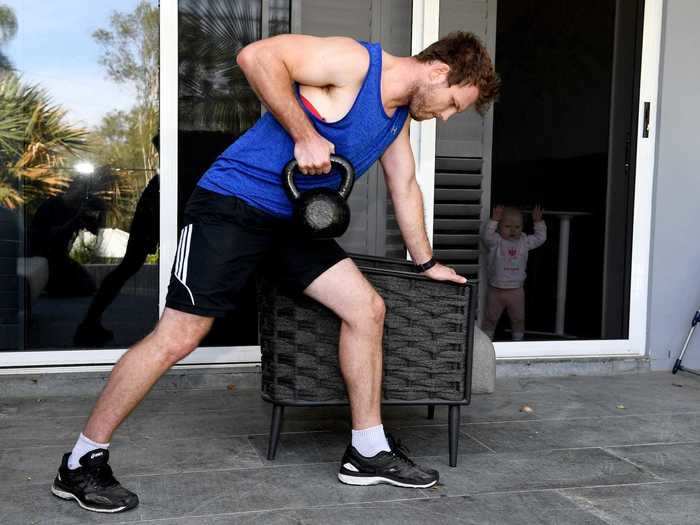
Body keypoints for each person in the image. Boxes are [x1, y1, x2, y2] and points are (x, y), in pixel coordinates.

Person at [51, 32, 499, 513]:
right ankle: (80, 461)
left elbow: (405, 185)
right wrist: (305, 134)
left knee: (366, 308)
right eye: (453, 102)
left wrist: (427, 263)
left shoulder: (394, 123)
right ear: (437, 72)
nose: (447, 115)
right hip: (231, 206)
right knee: (179, 335)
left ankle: (368, 451)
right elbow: (256, 57)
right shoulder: (356, 64)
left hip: (292, 222)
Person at [74, 135, 160, 347]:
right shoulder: (164, 176)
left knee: (125, 269)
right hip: (152, 208)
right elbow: (158, 139)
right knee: (126, 269)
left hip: (154, 206)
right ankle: (89, 324)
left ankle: (89, 323)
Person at [29, 175, 107, 297]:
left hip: (60, 257)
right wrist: (75, 219)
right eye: (80, 192)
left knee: (88, 286)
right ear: (72, 188)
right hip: (42, 256)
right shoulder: (50, 206)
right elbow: (47, 236)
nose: (81, 197)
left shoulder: (77, 209)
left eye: (84, 194)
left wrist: (101, 214)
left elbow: (96, 231)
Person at [481, 205, 547, 341]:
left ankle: (518, 343)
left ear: (522, 227)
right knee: (490, 319)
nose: (513, 230)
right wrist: (493, 220)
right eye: (507, 226)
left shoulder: (524, 241)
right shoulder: (496, 241)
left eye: (517, 227)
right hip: (496, 290)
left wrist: (538, 222)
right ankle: (487, 343)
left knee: (518, 320)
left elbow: (540, 238)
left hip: (516, 291)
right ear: (499, 227)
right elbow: (486, 236)